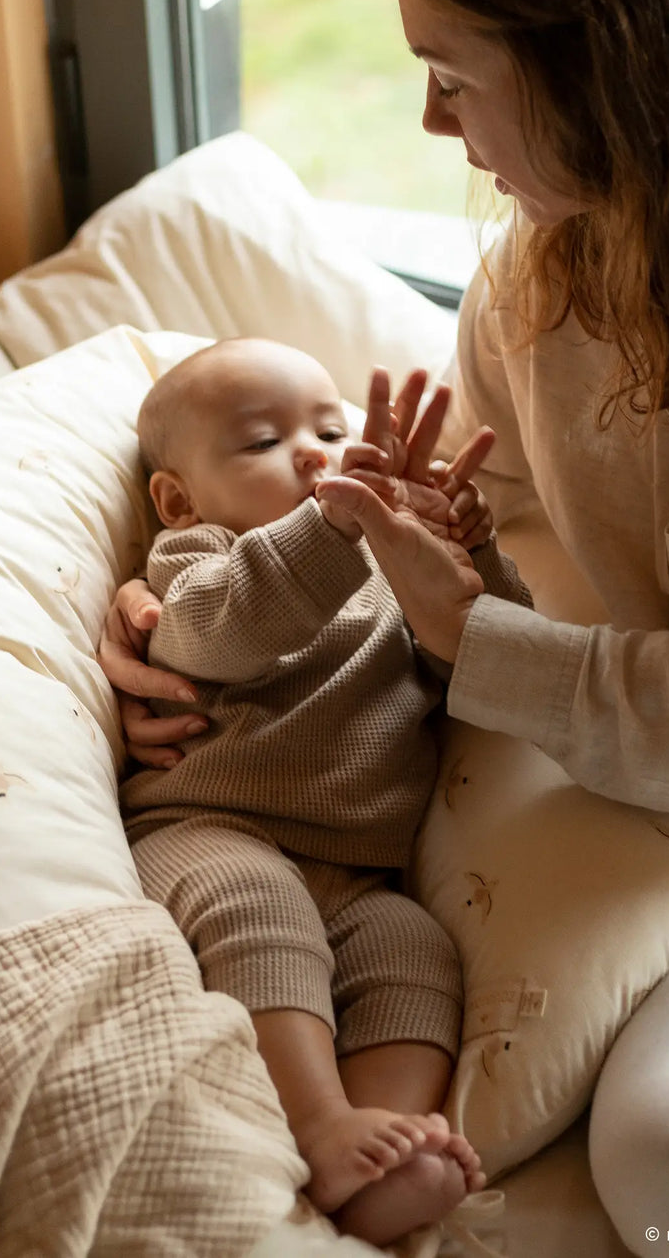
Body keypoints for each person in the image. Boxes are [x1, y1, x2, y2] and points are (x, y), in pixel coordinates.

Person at [101, 0, 669, 1255]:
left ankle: (386, 1142)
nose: (429, 122)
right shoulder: (539, 288)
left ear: (619, 70)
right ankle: (335, 1133)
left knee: (634, 1118)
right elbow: (429, 507)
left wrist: (473, 634)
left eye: (456, 75)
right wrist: (146, 605)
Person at [119, 335, 537, 1245]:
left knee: (416, 953)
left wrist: (467, 548)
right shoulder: (196, 558)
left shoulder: (397, 566)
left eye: (330, 428)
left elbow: (493, 658)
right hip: (212, 829)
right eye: (264, 443)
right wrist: (334, 527)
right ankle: (319, 1121)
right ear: (178, 495)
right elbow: (215, 636)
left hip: (355, 867)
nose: (314, 453)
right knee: (257, 907)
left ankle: (389, 1145)